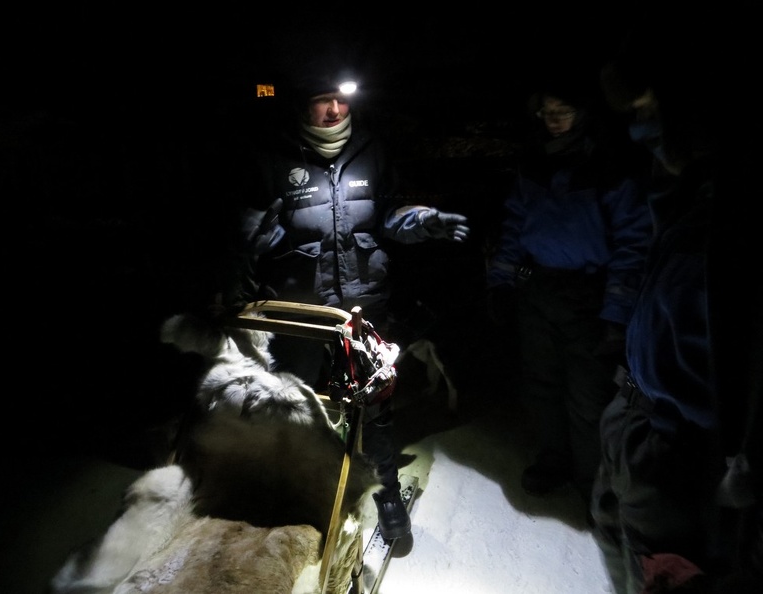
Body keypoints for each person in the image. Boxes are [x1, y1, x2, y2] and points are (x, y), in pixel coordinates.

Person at [228, 55, 470, 541]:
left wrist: (422, 221)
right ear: (303, 106)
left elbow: (390, 214)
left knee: (373, 408)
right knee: (301, 407)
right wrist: (252, 243)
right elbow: (248, 235)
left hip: (364, 309)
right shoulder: (273, 156)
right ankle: (305, 492)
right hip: (301, 314)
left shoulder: (371, 150)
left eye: (342, 99)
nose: (336, 109)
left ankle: (384, 491)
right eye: (323, 101)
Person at [590, 13, 762, 594]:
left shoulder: (738, 223)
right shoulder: (692, 199)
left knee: (660, 567)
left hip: (683, 456)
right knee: (617, 539)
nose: (640, 128)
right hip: (638, 423)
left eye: (646, 107)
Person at [485, 75, 653, 513]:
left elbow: (632, 242)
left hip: (589, 295)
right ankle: (553, 461)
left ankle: (593, 479)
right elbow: (515, 223)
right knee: (541, 385)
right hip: (538, 288)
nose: (553, 120)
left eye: (562, 111)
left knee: (588, 394)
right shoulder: (536, 162)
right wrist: (501, 284)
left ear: (583, 113)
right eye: (546, 113)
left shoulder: (609, 165)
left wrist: (616, 315)